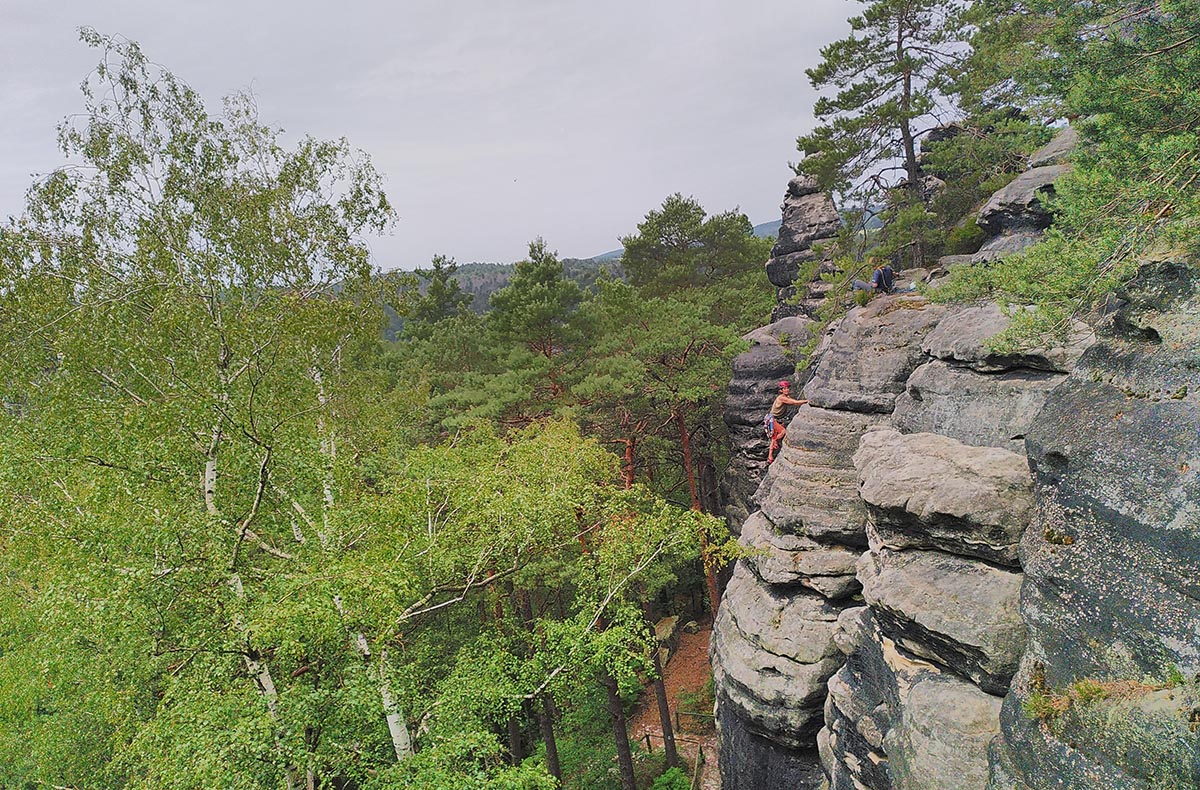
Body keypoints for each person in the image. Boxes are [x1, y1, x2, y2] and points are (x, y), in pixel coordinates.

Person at [765, 380, 808, 464]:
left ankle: (770, 457)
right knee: (782, 432)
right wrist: (807, 401)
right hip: (772, 419)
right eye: (784, 388)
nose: (787, 390)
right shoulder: (781, 398)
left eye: (787, 388)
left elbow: (792, 401)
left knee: (775, 437)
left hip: (776, 419)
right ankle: (771, 452)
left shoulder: (785, 397)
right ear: (781, 390)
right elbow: (795, 402)